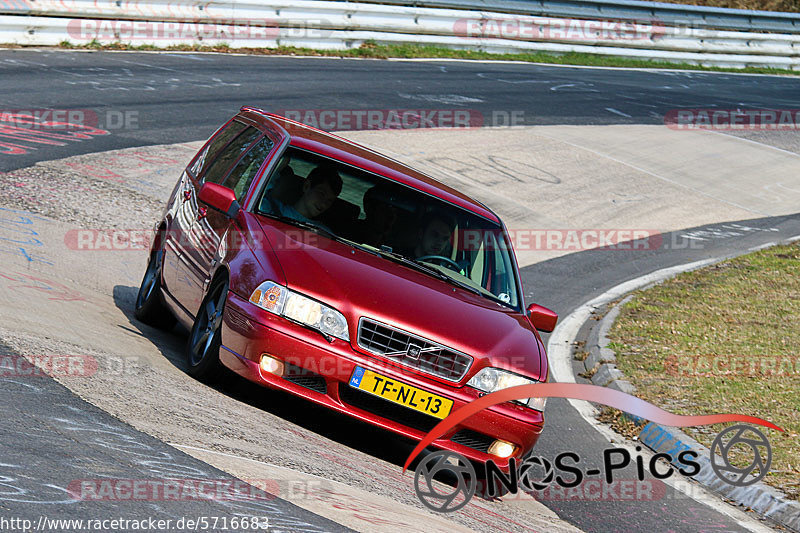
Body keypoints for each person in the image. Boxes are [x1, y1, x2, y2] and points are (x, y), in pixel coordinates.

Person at [266, 165, 342, 227]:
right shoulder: (270, 208)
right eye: (321, 194)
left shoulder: (324, 233)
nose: (324, 203)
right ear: (306, 186)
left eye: (330, 200)